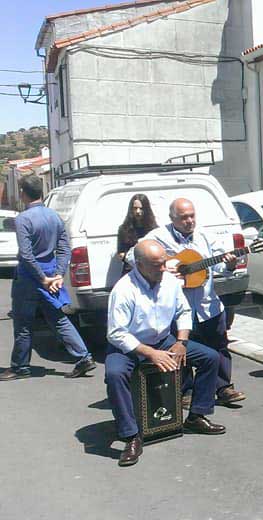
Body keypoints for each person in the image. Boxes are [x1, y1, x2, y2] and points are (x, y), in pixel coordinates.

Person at [106, 240, 226, 466]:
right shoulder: (123, 290)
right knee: (114, 374)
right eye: (156, 265)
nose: (163, 269)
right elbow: (116, 333)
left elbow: (183, 310)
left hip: (164, 340)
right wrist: (150, 353)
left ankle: (197, 415)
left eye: (163, 263)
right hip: (129, 346)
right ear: (139, 265)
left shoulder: (170, 282)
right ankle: (131, 435)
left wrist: (181, 341)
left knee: (210, 358)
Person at [141, 198, 245, 405]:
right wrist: (166, 265)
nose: (189, 221)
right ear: (172, 218)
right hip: (177, 308)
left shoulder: (206, 236)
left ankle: (223, 387)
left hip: (208, 305)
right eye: (183, 217)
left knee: (219, 346)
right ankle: (185, 390)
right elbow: (134, 256)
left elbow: (218, 267)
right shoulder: (158, 237)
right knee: (183, 349)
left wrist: (230, 266)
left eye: (192, 216)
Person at [2, 176, 95, 381]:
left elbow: (26, 255)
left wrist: (43, 278)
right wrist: (58, 275)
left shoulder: (23, 219)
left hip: (29, 278)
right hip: (51, 274)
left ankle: (20, 366)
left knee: (23, 322)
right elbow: (63, 248)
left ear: (23, 193)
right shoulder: (54, 216)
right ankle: (83, 356)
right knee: (58, 318)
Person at [116, 194, 157, 273]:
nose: (138, 211)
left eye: (141, 208)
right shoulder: (124, 229)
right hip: (130, 269)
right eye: (135, 208)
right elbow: (121, 253)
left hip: (150, 270)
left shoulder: (153, 229)